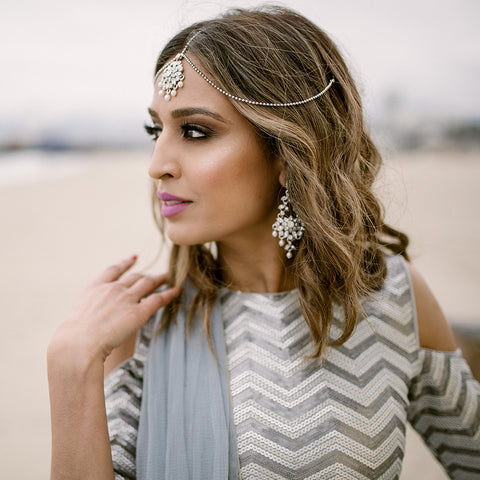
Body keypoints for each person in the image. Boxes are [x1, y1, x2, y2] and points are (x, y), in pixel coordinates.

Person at [47, 6, 480, 480]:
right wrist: (72, 367)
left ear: (288, 150)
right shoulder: (143, 326)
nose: (157, 164)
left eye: (194, 131)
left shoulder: (391, 296)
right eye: (156, 130)